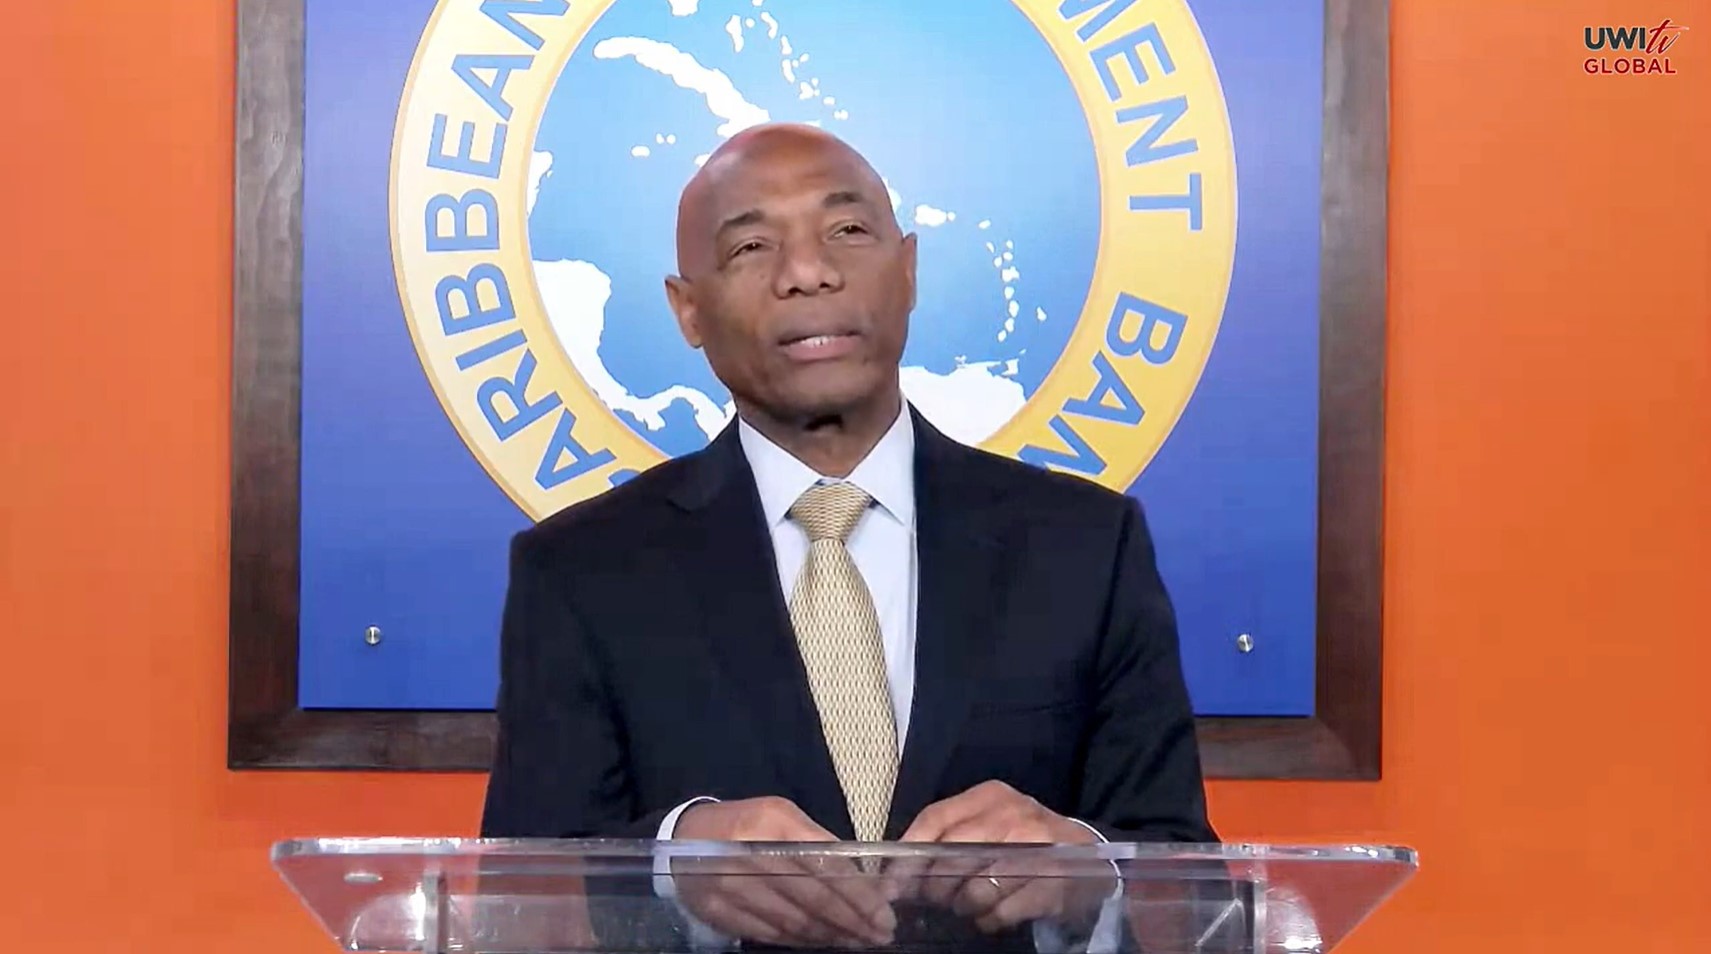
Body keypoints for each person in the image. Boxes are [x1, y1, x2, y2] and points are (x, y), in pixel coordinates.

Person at [480, 123, 1216, 949]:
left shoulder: (1085, 545)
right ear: (686, 310)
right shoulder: (582, 571)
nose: (807, 272)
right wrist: (666, 863)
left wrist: (1090, 873)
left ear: (907, 270)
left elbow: (1190, 884)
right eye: (753, 245)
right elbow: (518, 900)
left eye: (847, 231)